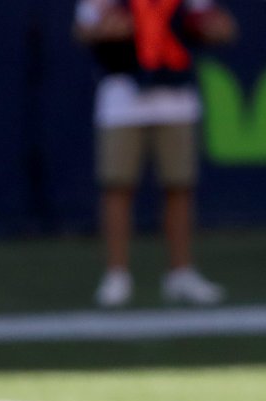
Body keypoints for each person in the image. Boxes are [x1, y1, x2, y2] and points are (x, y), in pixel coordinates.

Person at [74, 0, 235, 307]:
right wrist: (109, 29)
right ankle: (116, 274)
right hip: (123, 94)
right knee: (117, 186)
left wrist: (206, 28)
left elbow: (223, 27)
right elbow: (83, 30)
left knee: (179, 185)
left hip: (175, 95)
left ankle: (181, 272)